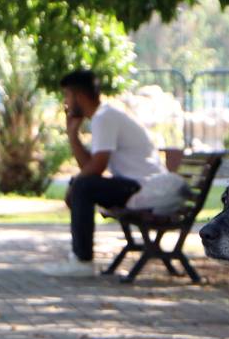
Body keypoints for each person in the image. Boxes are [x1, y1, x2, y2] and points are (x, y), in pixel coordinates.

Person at [41, 69, 166, 276]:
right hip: (137, 186)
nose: (66, 103)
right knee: (82, 184)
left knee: (82, 185)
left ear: (79, 96)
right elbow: (89, 167)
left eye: (67, 96)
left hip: (145, 188)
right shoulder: (104, 116)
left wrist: (75, 185)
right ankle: (80, 258)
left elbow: (97, 167)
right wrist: (73, 134)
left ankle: (82, 261)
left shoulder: (104, 117)